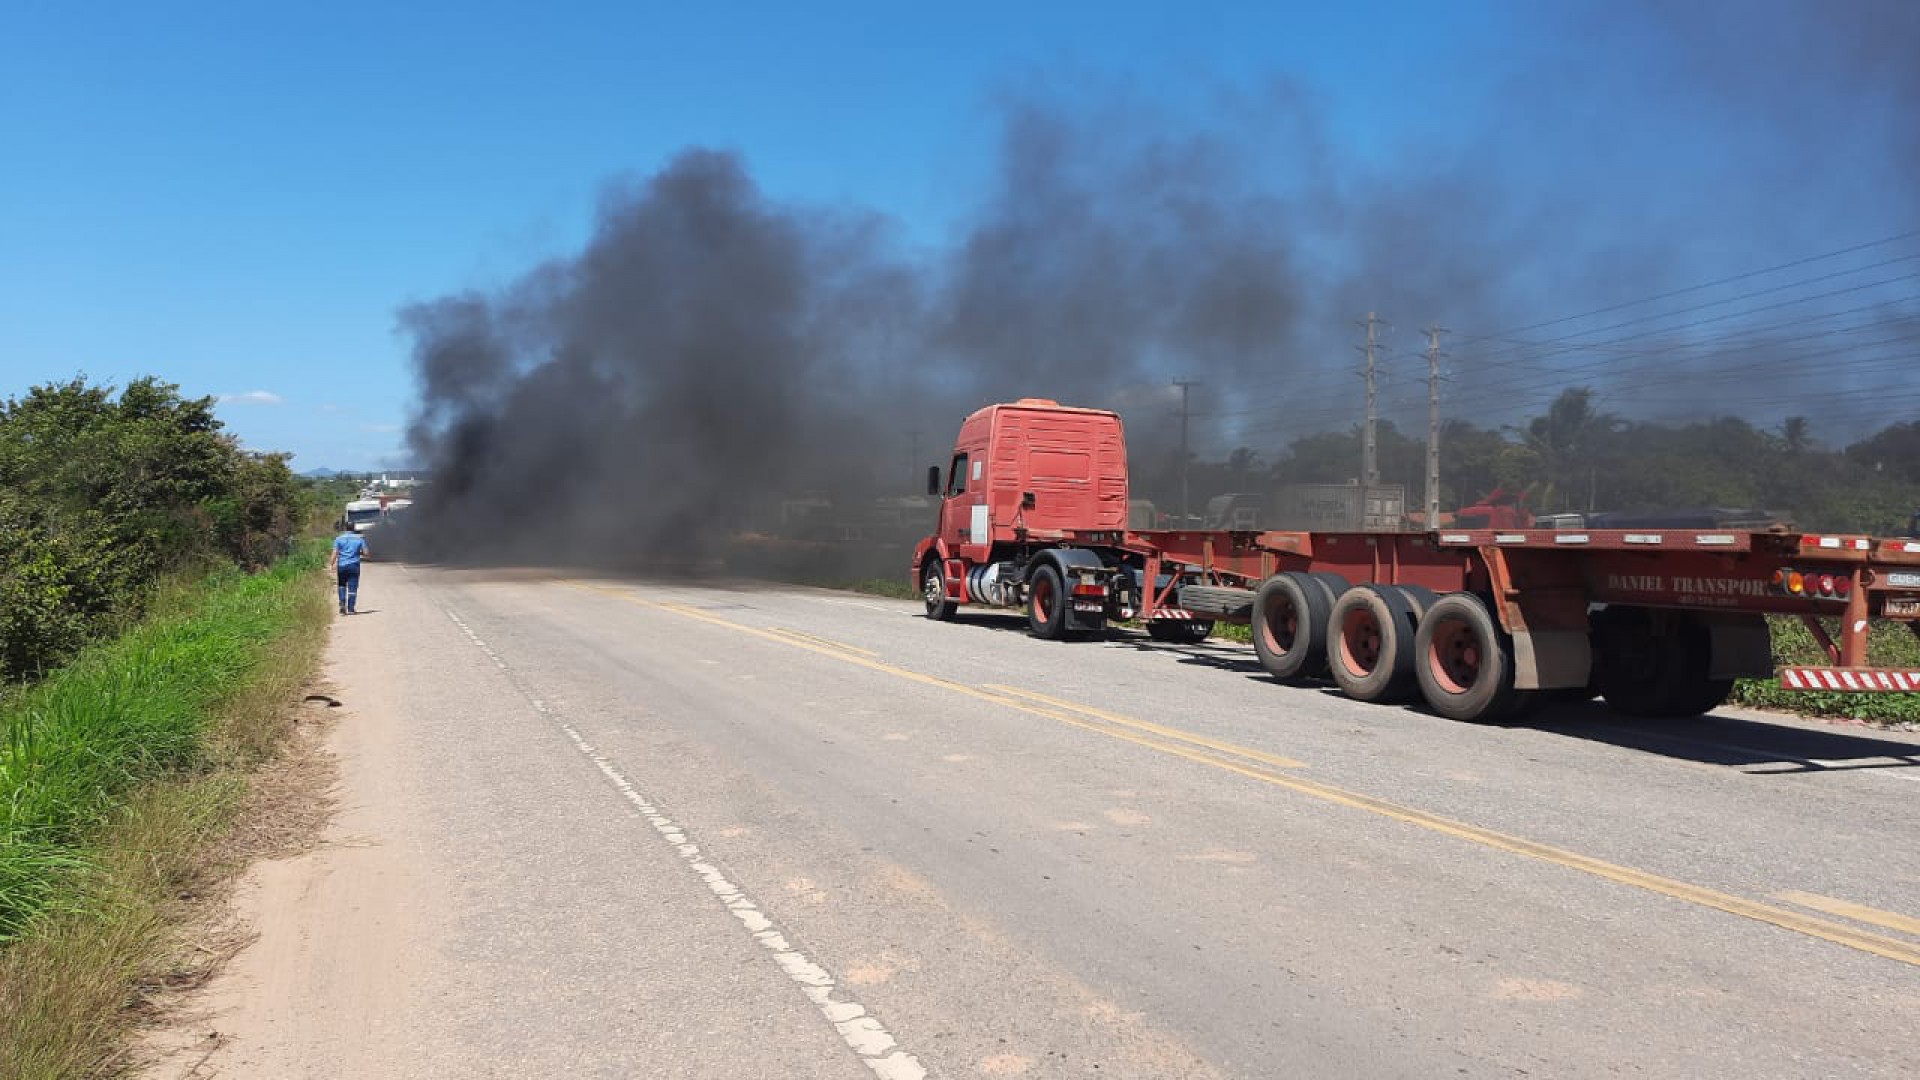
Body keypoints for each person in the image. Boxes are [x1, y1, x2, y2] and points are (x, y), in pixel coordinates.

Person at [328, 527, 369, 615]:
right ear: (353, 528)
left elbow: (335, 552)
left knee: (342, 585)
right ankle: (350, 609)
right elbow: (366, 553)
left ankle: (342, 603)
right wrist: (358, 552)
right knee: (352, 588)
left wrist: (331, 565)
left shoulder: (338, 539)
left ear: (345, 528)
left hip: (342, 565)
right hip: (354, 565)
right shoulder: (359, 539)